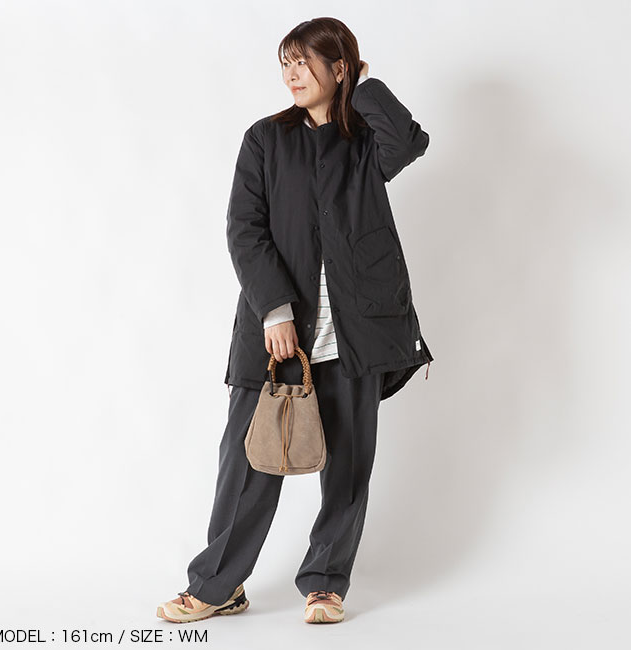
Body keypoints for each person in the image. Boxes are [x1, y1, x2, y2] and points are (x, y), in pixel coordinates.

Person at [157, 16, 433, 625]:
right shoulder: (265, 139)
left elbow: (409, 143)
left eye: (305, 61)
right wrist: (274, 310)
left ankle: (326, 584)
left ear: (339, 67)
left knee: (348, 467)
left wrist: (363, 85)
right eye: (286, 62)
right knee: (250, 463)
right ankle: (218, 585)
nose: (292, 74)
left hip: (356, 332)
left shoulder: (365, 142)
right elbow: (244, 229)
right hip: (278, 335)